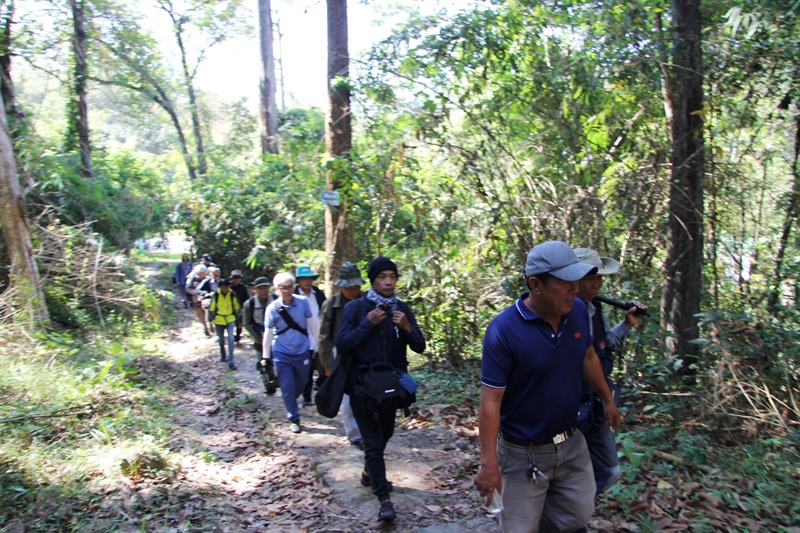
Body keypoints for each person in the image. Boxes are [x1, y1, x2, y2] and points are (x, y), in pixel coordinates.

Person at [474, 240, 622, 533]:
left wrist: (607, 398)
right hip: (522, 453)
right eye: (565, 282)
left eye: (574, 281)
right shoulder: (504, 330)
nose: (574, 289)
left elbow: (588, 355)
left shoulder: (577, 311)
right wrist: (489, 463)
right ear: (536, 285)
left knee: (577, 515)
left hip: (570, 444)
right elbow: (490, 402)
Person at [336, 256, 426, 524]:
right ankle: (384, 500)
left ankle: (368, 472)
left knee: (384, 435)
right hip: (362, 389)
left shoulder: (402, 310)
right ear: (373, 280)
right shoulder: (356, 309)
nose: (388, 282)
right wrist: (368, 323)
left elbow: (420, 346)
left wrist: (407, 327)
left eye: (392, 276)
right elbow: (343, 344)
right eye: (382, 277)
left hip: (391, 391)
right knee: (373, 444)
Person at [573, 247, 647, 499]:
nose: (597, 283)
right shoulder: (562, 313)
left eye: (599, 277)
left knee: (609, 470)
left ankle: (577, 506)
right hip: (570, 406)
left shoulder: (594, 308)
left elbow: (602, 346)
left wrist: (627, 324)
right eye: (591, 277)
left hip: (596, 403)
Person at [318, 261, 365, 450]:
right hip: (341, 353)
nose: (354, 290)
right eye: (350, 286)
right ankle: (354, 435)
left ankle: (367, 429)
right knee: (345, 398)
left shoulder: (367, 300)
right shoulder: (331, 304)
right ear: (343, 285)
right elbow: (323, 337)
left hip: (363, 351)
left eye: (356, 286)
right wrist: (328, 365)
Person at [263, 272, 316, 434]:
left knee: (301, 382)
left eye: (289, 287)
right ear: (276, 289)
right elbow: (268, 332)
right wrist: (266, 356)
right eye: (282, 288)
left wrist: (319, 345)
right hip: (282, 352)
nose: (286, 290)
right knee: (287, 386)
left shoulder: (302, 302)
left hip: (302, 351)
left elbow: (311, 324)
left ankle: (292, 399)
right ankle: (294, 417)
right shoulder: (272, 309)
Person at [294, 265, 326, 406]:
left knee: (323, 366)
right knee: (305, 368)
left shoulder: (318, 294)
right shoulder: (293, 296)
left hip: (319, 335)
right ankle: (306, 397)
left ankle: (323, 394)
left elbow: (325, 312)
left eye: (309, 278)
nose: (307, 281)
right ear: (299, 281)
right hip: (302, 336)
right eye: (304, 279)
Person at [243, 276, 278, 395]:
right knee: (263, 364)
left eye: (265, 288)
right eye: (260, 288)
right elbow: (247, 323)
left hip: (277, 338)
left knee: (279, 363)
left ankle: (277, 381)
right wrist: (259, 336)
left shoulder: (276, 300)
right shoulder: (250, 304)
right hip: (260, 340)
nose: (263, 291)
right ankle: (268, 386)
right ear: (255, 289)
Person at [209, 278, 241, 370]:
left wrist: (239, 321)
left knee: (231, 340)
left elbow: (237, 308)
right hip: (219, 319)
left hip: (230, 318)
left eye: (226, 288)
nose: (225, 290)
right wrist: (211, 323)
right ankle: (223, 355)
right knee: (221, 339)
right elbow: (211, 309)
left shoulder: (232, 294)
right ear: (220, 287)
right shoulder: (216, 295)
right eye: (223, 288)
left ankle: (231, 362)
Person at [185, 264, 213, 336]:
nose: (200, 275)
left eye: (202, 273)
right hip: (196, 301)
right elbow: (187, 288)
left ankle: (211, 325)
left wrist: (206, 294)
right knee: (200, 316)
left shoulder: (208, 279)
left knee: (208, 315)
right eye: (199, 273)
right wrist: (195, 293)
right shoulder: (193, 279)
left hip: (207, 301)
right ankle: (205, 329)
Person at [230, 270, 249, 343]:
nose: (237, 279)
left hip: (239, 308)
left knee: (239, 322)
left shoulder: (243, 287)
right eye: (235, 277)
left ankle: (238, 336)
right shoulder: (228, 286)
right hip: (228, 308)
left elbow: (246, 298)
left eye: (238, 277)